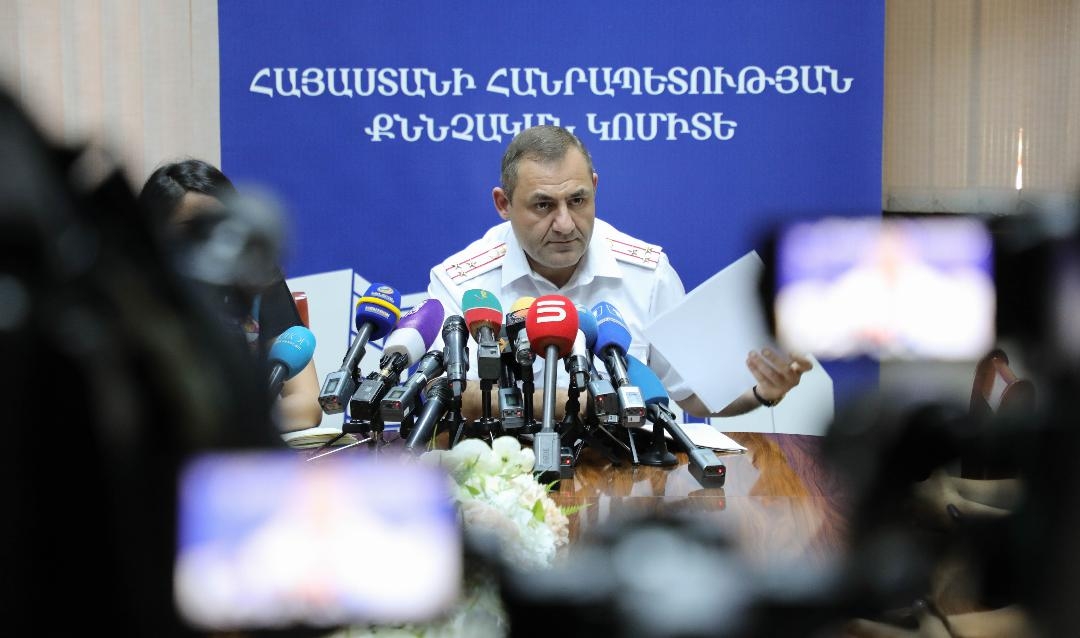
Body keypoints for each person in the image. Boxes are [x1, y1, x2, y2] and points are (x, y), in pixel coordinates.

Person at [427, 125, 811, 419]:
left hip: (625, 472)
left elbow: (693, 394)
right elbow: (439, 393)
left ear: (594, 188)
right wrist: (588, 403)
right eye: (543, 205)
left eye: (578, 200)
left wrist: (763, 391)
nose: (565, 223)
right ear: (503, 204)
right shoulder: (461, 282)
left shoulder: (647, 274)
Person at [138, 159, 322, 432]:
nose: (214, 245)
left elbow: (307, 404)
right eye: (193, 229)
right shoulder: (131, 299)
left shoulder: (255, 279)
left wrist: (230, 429)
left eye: (223, 227)